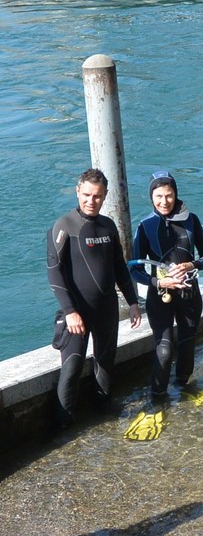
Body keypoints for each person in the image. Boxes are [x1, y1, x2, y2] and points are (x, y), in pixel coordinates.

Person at [47, 168, 142, 427]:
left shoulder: (108, 226)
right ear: (78, 192)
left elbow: (120, 268)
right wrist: (69, 311)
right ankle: (63, 425)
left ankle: (103, 413)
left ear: (105, 196)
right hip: (76, 313)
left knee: (105, 362)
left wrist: (133, 302)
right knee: (72, 367)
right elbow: (55, 275)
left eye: (97, 196)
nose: (91, 200)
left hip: (106, 309)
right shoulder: (64, 226)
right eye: (87, 194)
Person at [131, 171, 203, 403]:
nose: (164, 201)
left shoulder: (191, 220)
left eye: (168, 195)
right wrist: (160, 282)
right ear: (151, 197)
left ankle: (184, 389)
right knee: (165, 349)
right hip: (160, 295)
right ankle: (158, 399)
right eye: (158, 196)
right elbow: (134, 269)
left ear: (175, 194)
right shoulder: (145, 225)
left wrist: (192, 263)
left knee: (187, 345)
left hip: (189, 293)